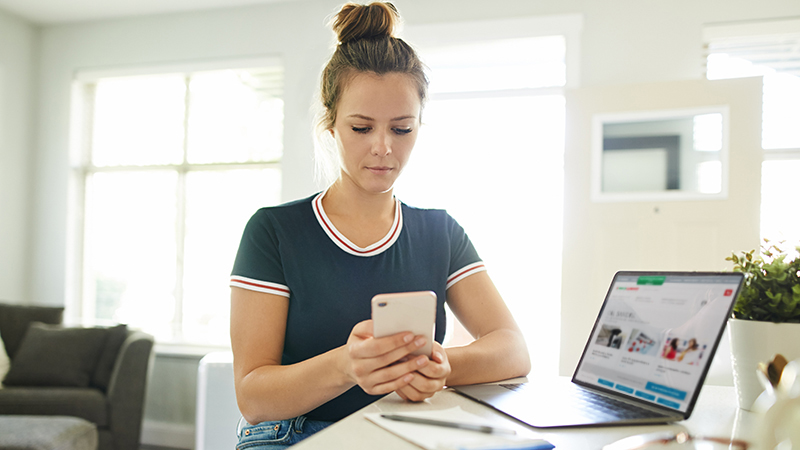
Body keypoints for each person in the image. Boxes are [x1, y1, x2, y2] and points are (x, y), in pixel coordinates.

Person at [229, 2, 531, 448]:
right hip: (292, 434)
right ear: (331, 125)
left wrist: (441, 365)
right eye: (362, 127)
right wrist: (348, 366)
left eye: (402, 129)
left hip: (400, 431)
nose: (384, 148)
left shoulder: (439, 232)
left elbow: (513, 350)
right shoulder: (274, 231)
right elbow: (253, 397)